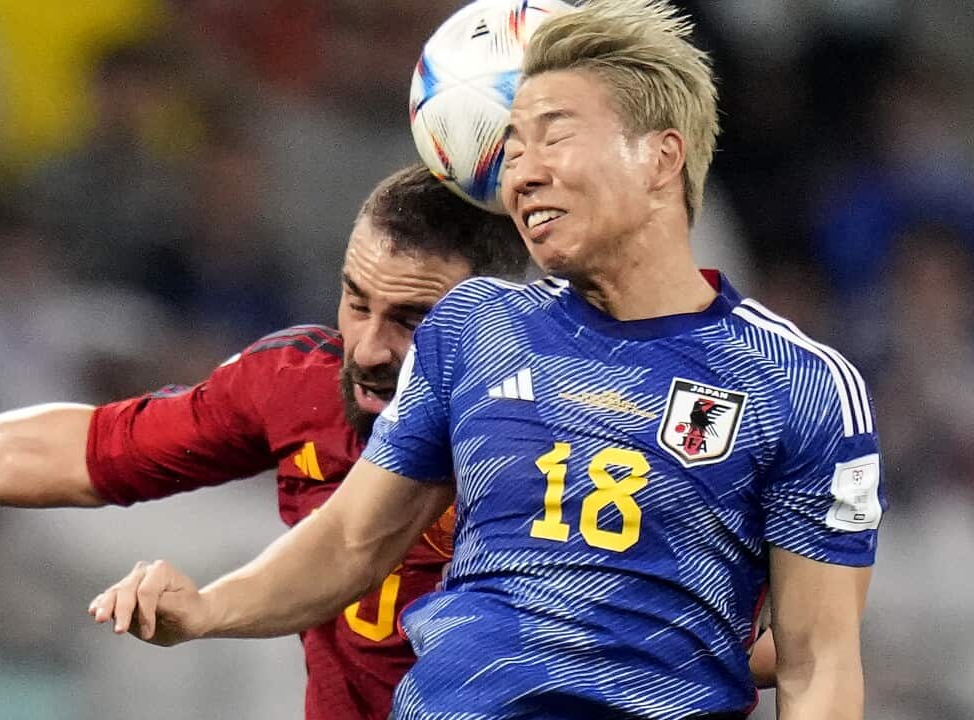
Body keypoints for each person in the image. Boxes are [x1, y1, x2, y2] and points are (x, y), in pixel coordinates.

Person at [84, 2, 880, 719]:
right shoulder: (475, 326)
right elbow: (353, 541)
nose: (521, 171)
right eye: (512, 144)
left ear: (660, 157)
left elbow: (817, 664)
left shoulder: (798, 386)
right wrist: (209, 610)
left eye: (553, 136)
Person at [0, 165, 527, 720]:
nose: (369, 347)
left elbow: (351, 550)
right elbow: (89, 450)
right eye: (357, 303)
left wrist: (210, 609)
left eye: (412, 321)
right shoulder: (296, 384)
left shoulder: (550, 432)